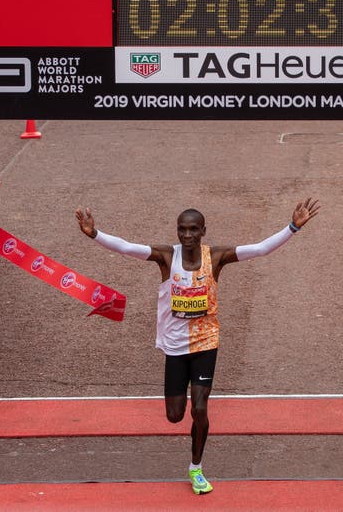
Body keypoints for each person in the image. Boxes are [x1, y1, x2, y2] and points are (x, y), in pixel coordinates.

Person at [75, 198, 319, 495]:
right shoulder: (167, 257)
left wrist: (292, 227)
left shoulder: (216, 258)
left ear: (203, 231)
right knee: (175, 415)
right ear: (177, 231)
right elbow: (127, 247)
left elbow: (259, 249)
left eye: (193, 229)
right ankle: (190, 435)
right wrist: (95, 234)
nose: (187, 235)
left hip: (205, 342)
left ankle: (196, 468)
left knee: (200, 407)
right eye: (182, 229)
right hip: (175, 347)